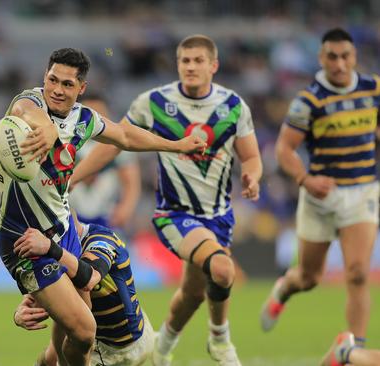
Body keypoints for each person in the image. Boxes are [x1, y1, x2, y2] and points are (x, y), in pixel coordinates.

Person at [0, 47, 205, 365]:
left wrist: (175, 145)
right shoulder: (29, 102)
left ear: (81, 89)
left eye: (67, 84)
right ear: (44, 77)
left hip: (63, 229)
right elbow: (27, 113)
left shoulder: (83, 119)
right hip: (24, 238)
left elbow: (124, 136)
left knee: (69, 337)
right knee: (83, 330)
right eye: (52, 79)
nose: (56, 89)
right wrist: (48, 127)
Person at [72, 35, 263, 366]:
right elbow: (115, 142)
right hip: (174, 214)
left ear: (213, 66)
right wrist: (70, 179)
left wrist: (253, 176)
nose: (190, 66)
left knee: (190, 294)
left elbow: (251, 156)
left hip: (218, 217)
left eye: (198, 61)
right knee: (221, 268)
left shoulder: (233, 107)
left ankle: (161, 347)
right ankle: (220, 341)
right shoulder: (154, 102)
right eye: (184, 61)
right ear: (177, 65)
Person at [260, 28, 378, 349]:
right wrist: (305, 180)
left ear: (355, 57)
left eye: (345, 56)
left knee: (357, 273)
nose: (339, 64)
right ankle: (285, 287)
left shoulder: (373, 89)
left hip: (362, 191)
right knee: (310, 278)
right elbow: (284, 149)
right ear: (321, 58)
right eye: (332, 57)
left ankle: (355, 349)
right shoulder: (308, 101)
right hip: (320, 196)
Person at [13, 221, 155, 366]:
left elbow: (89, 278)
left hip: (121, 349)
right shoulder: (52, 247)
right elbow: (48, 295)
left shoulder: (100, 239)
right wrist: (21, 312)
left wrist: (50, 248)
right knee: (48, 358)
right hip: (105, 337)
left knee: (67, 347)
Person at [68, 94, 141, 230]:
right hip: (69, 214)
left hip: (106, 215)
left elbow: (131, 181)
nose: (95, 120)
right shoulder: (66, 140)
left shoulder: (117, 144)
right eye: (90, 113)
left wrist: (126, 208)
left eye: (100, 114)